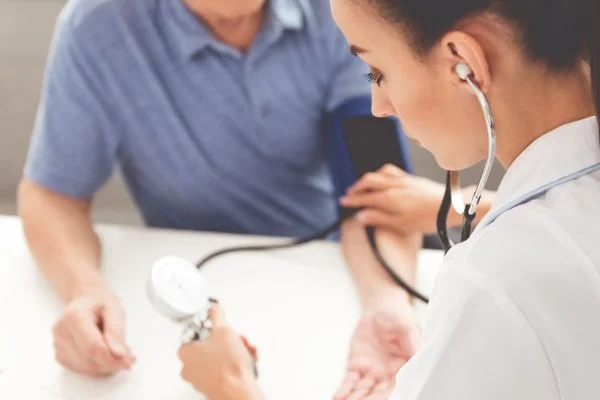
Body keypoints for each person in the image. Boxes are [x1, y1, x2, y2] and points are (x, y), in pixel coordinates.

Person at [15, 0, 468, 385]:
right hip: (201, 277)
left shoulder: (346, 11)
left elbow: (375, 191)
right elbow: (54, 194)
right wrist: (83, 288)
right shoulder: (98, 28)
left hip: (345, 265)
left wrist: (386, 305)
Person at [175, 0, 600, 399]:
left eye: (377, 72)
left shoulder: (496, 284)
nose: (379, 106)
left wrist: (232, 386)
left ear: (464, 64)